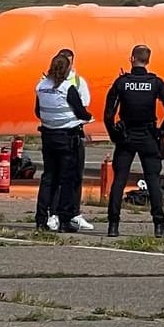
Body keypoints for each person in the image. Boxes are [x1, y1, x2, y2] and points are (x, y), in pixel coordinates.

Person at [103, 44, 164, 238]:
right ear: (148, 61)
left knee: (119, 180)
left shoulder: (122, 82)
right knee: (153, 180)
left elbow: (108, 113)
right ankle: (159, 226)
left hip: (126, 136)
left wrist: (114, 134)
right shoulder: (156, 82)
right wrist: (161, 132)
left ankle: (113, 225)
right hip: (148, 136)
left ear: (131, 59)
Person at [34, 53, 94, 232]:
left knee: (48, 178)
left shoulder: (41, 86)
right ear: (67, 68)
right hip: (68, 136)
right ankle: (65, 218)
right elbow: (81, 111)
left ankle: (41, 218)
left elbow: (38, 111)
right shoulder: (68, 87)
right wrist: (89, 118)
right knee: (68, 178)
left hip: (48, 135)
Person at [55, 48, 91, 225]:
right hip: (59, 132)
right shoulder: (47, 82)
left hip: (74, 130)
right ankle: (54, 212)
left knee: (76, 174)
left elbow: (84, 103)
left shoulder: (77, 81)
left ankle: (73, 211)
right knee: (57, 175)